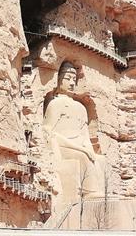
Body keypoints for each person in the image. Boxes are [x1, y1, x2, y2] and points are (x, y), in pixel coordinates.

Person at [43, 61, 106, 202]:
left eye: (74, 79)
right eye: (67, 79)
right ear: (58, 80)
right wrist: (81, 149)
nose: (71, 83)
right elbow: (48, 131)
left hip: (79, 145)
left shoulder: (80, 107)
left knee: (101, 160)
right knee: (83, 156)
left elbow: (85, 135)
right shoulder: (55, 104)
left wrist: (90, 150)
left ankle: (102, 192)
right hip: (63, 145)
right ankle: (90, 192)